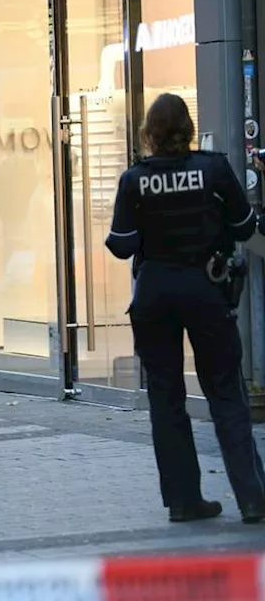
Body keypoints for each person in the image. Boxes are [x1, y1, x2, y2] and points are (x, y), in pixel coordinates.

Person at [106, 93, 265, 525]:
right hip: (205, 289)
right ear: (189, 130)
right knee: (225, 392)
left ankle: (183, 500)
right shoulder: (213, 169)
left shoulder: (134, 179)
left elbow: (120, 245)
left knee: (166, 395)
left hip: (155, 293)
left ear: (148, 135)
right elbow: (244, 226)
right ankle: (252, 499)